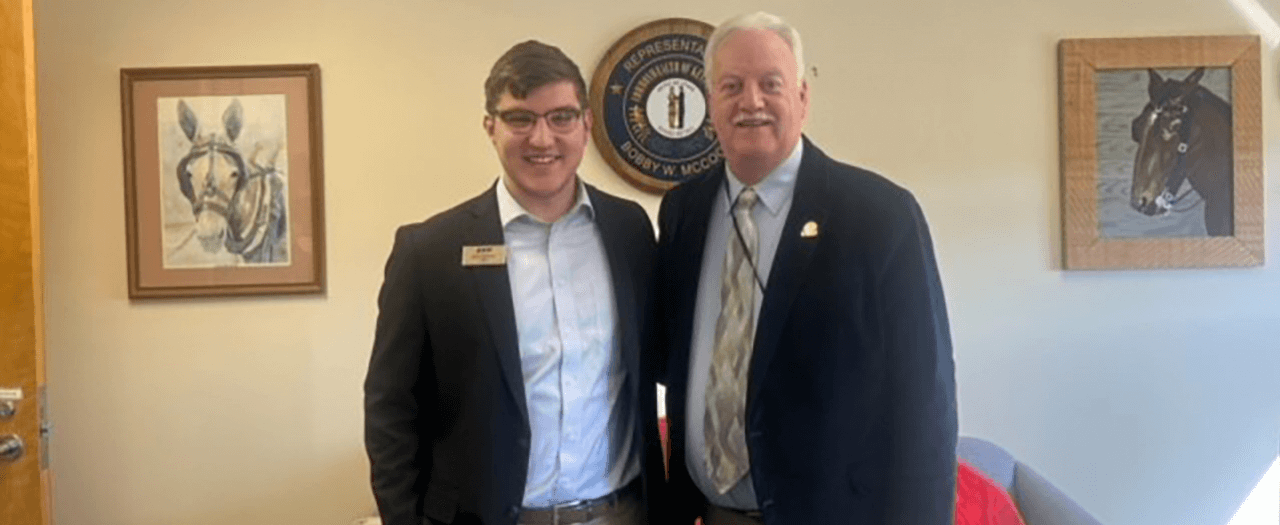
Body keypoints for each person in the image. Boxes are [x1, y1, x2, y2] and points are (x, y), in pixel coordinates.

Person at [654, 12, 958, 524]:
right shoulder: (683, 210)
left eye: (770, 84)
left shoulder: (879, 215)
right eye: (732, 86)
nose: (751, 101)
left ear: (801, 98)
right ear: (711, 103)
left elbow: (923, 398)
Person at [365, 40, 664, 525]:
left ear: (586, 125)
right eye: (520, 118)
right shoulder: (430, 252)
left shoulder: (629, 231)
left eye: (561, 117)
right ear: (491, 127)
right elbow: (390, 410)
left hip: (620, 512)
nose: (542, 139)